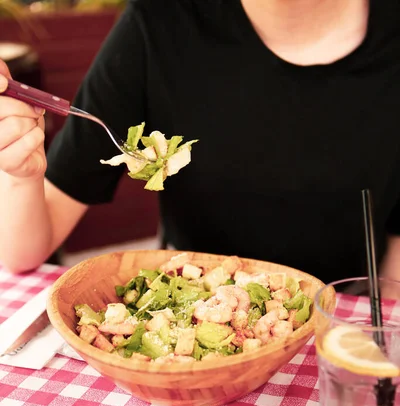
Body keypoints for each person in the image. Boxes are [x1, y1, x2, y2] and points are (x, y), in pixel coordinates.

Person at [0, 0, 400, 285]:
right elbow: (21, 252)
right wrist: (18, 170)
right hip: (193, 303)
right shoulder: (158, 24)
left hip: (351, 313)